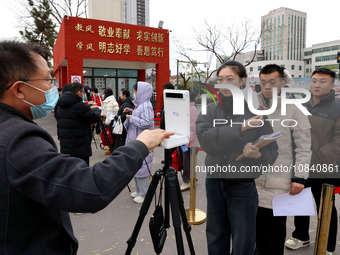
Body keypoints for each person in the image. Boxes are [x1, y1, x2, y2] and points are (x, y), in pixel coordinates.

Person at [0, 40, 173, 255]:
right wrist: (140, 146)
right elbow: (89, 188)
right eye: (48, 79)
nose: (54, 87)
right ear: (19, 89)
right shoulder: (18, 140)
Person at [196, 60, 278, 255]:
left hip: (242, 184)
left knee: (243, 239)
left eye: (230, 79)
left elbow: (272, 150)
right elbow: (206, 140)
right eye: (220, 79)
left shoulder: (256, 112)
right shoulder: (210, 109)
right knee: (215, 235)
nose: (224, 84)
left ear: (242, 81)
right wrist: (241, 128)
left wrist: (258, 155)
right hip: (214, 182)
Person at [254, 64, 312, 255]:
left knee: (275, 234)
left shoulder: (295, 110)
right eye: (264, 82)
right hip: (252, 182)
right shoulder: (251, 105)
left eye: (273, 82)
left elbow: (304, 148)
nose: (268, 86)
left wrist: (300, 177)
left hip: (279, 182)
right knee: (255, 233)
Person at [285, 68, 340, 255]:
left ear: (332, 85)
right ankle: (301, 236)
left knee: (326, 206)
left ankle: (327, 245)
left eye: (323, 81)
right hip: (300, 165)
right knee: (300, 201)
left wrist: (313, 156)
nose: (317, 85)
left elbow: (338, 143)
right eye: (314, 81)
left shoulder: (337, 108)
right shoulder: (301, 105)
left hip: (325, 167)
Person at [54, 82, 101, 166]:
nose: (83, 94)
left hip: (65, 145)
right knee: (82, 172)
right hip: (80, 146)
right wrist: (96, 109)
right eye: (83, 92)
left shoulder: (59, 105)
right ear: (78, 92)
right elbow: (94, 117)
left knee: (69, 170)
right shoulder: (80, 106)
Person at [124, 81, 154, 204]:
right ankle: (139, 191)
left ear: (141, 92)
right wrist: (131, 111)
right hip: (136, 141)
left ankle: (144, 193)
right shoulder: (141, 105)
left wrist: (132, 118)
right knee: (136, 166)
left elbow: (146, 122)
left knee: (142, 168)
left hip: (142, 142)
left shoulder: (146, 105)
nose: (134, 93)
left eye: (135, 91)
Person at [178, 91, 199, 191]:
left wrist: (188, 140)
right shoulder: (188, 108)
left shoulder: (192, 110)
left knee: (187, 163)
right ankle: (192, 178)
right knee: (186, 161)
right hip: (186, 141)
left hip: (189, 143)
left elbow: (193, 128)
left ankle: (188, 181)